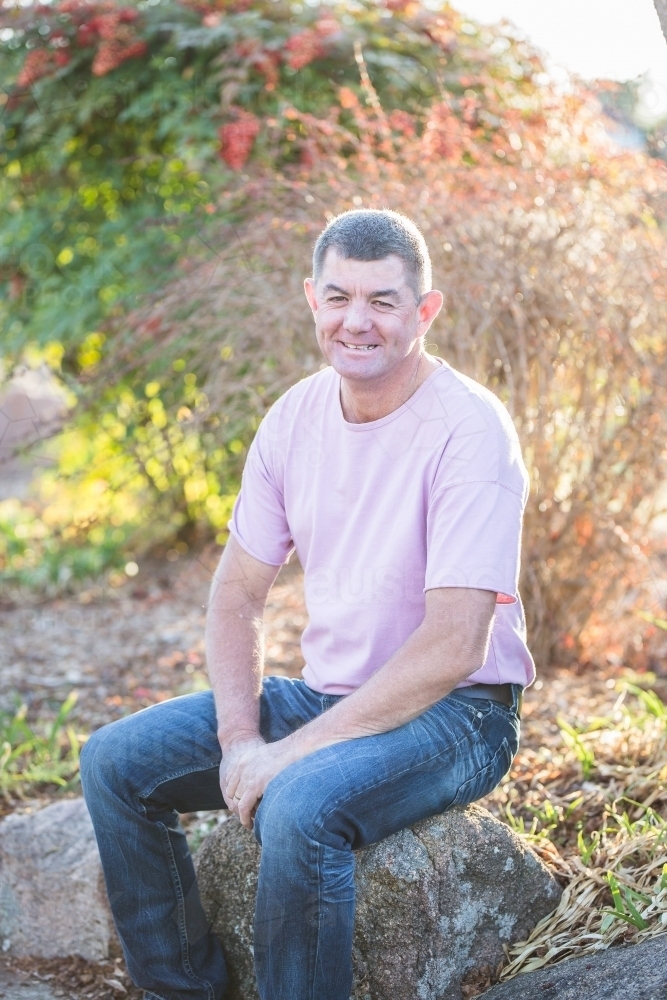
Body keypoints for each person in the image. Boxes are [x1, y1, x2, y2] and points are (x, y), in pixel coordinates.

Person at [81, 208, 535, 1000]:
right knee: (114, 763)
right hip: (329, 694)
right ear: (310, 299)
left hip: (458, 714)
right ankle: (180, 989)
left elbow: (458, 643)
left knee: (297, 805)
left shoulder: (469, 429)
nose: (356, 322)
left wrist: (287, 756)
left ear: (424, 311)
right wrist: (237, 739)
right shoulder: (293, 417)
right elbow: (236, 593)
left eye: (383, 302)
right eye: (338, 298)